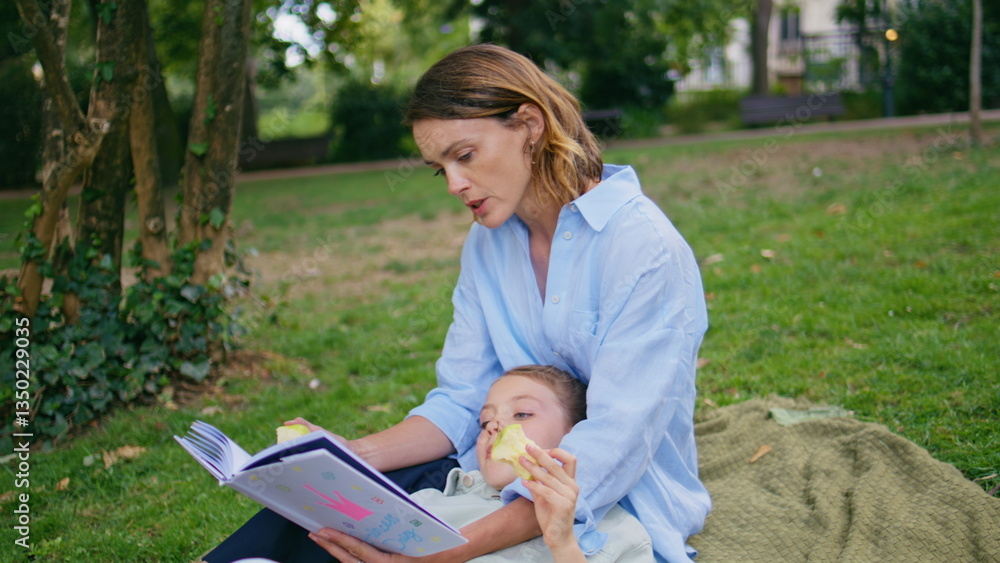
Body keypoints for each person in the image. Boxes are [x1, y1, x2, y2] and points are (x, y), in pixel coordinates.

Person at [205, 43, 709, 563]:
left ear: (530, 125)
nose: (453, 184)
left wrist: (441, 554)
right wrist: (351, 457)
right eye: (438, 167)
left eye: (464, 155)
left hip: (609, 507)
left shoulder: (644, 249)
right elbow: (463, 399)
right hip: (481, 481)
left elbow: (612, 448)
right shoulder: (487, 243)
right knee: (317, 518)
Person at [396, 365, 652, 562]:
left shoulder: (619, 532)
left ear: (576, 434)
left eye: (522, 414)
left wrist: (563, 546)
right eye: (485, 422)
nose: (494, 426)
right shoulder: (427, 506)